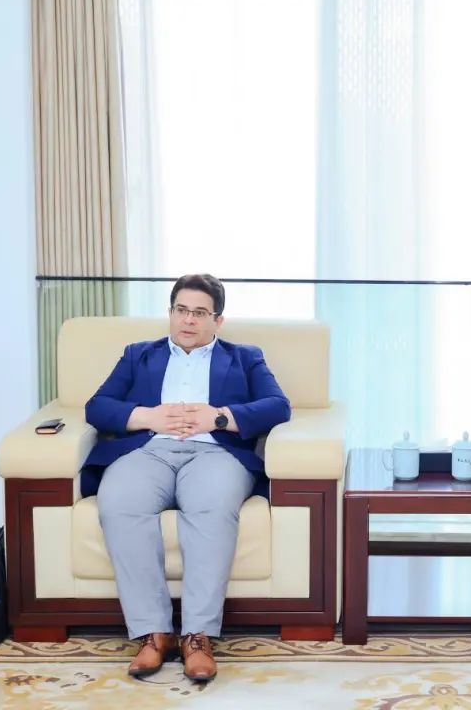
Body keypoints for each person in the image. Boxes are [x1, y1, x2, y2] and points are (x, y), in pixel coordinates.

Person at [82, 273, 291, 681]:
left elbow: (278, 406)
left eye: (199, 313)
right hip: (148, 451)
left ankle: (197, 636)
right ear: (170, 312)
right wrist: (148, 416)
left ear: (218, 320)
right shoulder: (138, 355)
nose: (188, 320)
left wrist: (219, 417)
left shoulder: (245, 357)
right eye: (181, 310)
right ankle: (154, 633)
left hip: (215, 453)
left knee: (211, 508)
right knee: (119, 502)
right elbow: (97, 406)